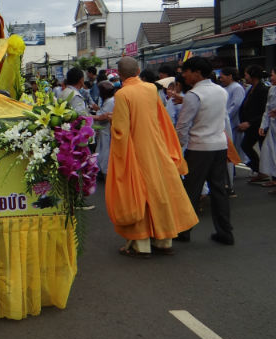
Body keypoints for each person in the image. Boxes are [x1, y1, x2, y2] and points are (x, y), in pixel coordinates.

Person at [105, 57, 198, 257]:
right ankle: (163, 241)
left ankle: (142, 245)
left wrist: (119, 156)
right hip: (157, 148)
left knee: (138, 194)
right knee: (159, 191)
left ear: (119, 75)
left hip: (136, 151)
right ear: (138, 70)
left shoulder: (122, 94)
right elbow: (162, 118)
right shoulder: (151, 89)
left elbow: (121, 131)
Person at [176, 57, 234, 245]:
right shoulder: (220, 91)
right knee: (219, 190)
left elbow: (183, 125)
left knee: (191, 190)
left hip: (200, 147)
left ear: (197, 73)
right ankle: (225, 232)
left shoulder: (194, 95)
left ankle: (184, 231)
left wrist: (177, 148)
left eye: (186, 71)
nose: (183, 75)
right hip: (219, 145)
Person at [239, 64, 268, 181]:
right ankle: (260, 170)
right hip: (251, 125)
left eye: (246, 74)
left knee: (265, 149)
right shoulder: (251, 88)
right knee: (246, 146)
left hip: (259, 125)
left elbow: (264, 111)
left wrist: (250, 122)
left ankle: (266, 172)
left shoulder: (262, 90)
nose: (245, 77)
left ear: (252, 76)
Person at [256, 67, 276, 190]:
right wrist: (263, 125)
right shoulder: (272, 89)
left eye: (273, 75)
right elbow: (267, 109)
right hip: (273, 127)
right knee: (270, 153)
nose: (271, 78)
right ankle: (274, 178)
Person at [94, 81, 116, 177]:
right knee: (102, 150)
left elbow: (102, 116)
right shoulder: (109, 100)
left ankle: (106, 172)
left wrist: (86, 116)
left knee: (105, 151)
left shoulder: (110, 101)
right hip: (104, 130)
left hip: (106, 130)